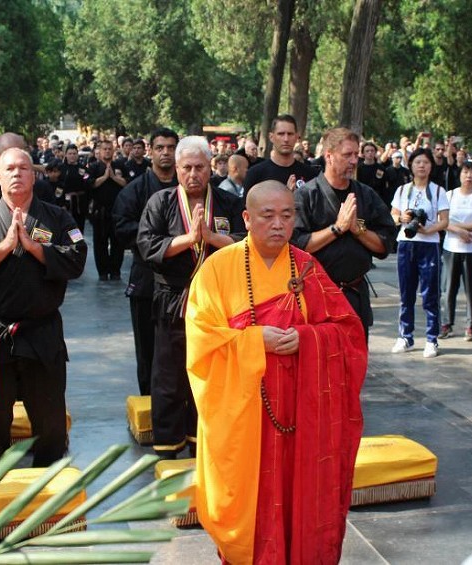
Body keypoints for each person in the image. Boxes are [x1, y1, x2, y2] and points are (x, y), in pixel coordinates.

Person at [186, 180, 366, 564]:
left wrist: (307, 339)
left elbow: (348, 332)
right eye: (267, 216)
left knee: (297, 494)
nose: (278, 225)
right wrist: (254, 341)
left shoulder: (307, 268)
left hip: (301, 416)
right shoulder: (217, 269)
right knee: (251, 499)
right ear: (247, 218)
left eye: (287, 215)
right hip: (246, 413)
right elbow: (202, 343)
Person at [0, 148, 87, 471]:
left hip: (41, 334)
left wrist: (34, 248)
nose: (17, 174)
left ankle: (49, 488)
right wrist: (3, 248)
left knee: (51, 419)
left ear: (34, 175)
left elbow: (77, 256)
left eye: (23, 168)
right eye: (9, 169)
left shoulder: (57, 217)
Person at [136, 136, 245, 459]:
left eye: (200, 167)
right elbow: (146, 246)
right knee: (169, 377)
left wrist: (211, 237)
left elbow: (245, 243)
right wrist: (189, 239)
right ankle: (168, 444)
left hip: (217, 304)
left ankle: (204, 441)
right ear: (177, 170)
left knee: (212, 376)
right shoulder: (161, 202)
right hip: (174, 301)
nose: (193, 174)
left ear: (211, 167)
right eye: (187, 168)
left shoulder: (227, 203)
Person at [292, 127, 396, 341]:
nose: (353, 160)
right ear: (329, 156)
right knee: (321, 366)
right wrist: (337, 228)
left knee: (356, 367)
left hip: (354, 294)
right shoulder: (306, 195)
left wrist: (359, 231)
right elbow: (298, 245)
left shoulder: (366, 195)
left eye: (355, 155)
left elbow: (384, 245)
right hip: (317, 295)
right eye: (347, 155)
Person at [113, 127, 179, 396]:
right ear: (150, 151)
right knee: (148, 348)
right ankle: (150, 404)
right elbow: (121, 227)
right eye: (160, 147)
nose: (165, 153)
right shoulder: (135, 190)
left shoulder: (188, 187)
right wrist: (159, 239)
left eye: (171, 147)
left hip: (185, 280)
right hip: (146, 278)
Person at [390, 148, 450, 358]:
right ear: (411, 166)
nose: (421, 166)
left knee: (430, 293)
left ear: (431, 166)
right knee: (406, 293)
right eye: (417, 162)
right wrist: (402, 220)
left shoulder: (438, 191)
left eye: (425, 162)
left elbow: (444, 221)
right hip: (406, 243)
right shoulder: (403, 190)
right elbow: (394, 215)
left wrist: (429, 229)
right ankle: (405, 336)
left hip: (429, 245)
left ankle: (432, 339)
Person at [439, 162, 472, 341]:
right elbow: (441, 220)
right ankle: (446, 324)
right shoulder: (449, 195)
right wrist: (458, 230)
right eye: (466, 172)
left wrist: (455, 226)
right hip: (451, 248)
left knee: (471, 289)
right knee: (449, 288)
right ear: (460, 175)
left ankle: (470, 326)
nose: (469, 176)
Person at [243, 115, 318, 195]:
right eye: (281, 134)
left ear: (296, 137)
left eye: (290, 134)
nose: (286, 139)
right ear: (271, 137)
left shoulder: (311, 174)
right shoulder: (255, 174)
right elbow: (247, 206)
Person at [87, 139, 127, 281]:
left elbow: (127, 183)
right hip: (100, 211)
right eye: (105, 149)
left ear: (114, 150)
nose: (107, 151)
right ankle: (103, 272)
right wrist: (104, 177)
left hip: (117, 211)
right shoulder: (93, 167)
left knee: (117, 242)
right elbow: (89, 184)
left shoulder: (120, 165)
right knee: (100, 243)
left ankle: (115, 271)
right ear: (100, 150)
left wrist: (114, 177)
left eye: (110, 149)